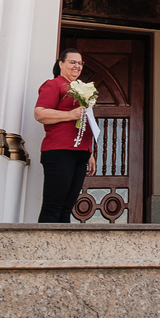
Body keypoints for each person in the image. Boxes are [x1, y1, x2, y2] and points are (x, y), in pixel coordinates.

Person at [33, 47, 97, 223]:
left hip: (81, 152)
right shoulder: (53, 84)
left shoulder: (81, 88)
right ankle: (45, 248)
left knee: (67, 208)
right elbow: (40, 113)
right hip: (59, 150)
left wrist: (90, 152)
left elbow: (85, 122)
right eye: (72, 62)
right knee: (53, 206)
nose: (77, 66)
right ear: (61, 64)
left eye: (80, 63)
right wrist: (70, 114)